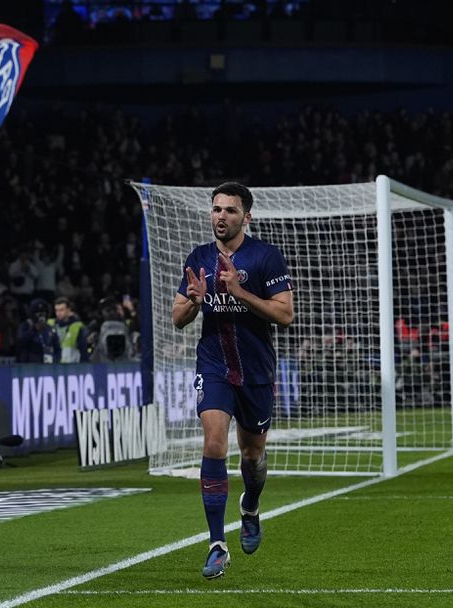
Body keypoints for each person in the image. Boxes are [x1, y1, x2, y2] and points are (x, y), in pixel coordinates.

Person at [172, 182, 294, 579]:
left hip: (256, 372)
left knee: (252, 457)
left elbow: (285, 314)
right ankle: (216, 545)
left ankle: (251, 507)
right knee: (213, 443)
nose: (221, 216)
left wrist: (240, 292)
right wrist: (194, 301)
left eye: (230, 210)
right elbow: (177, 319)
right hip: (214, 367)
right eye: (216, 209)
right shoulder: (199, 258)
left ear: (246, 216)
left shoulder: (265, 257)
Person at [15, 298, 60, 363]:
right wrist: (34, 330)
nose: (41, 316)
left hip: (48, 364)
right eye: (38, 313)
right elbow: (20, 342)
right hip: (30, 365)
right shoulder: (26, 326)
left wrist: (56, 360)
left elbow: (57, 349)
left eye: (43, 313)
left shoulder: (50, 328)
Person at [48, 297, 88, 363]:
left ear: (68, 310)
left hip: (71, 366)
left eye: (61, 310)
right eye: (57, 310)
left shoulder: (76, 327)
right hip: (53, 366)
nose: (58, 313)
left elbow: (83, 350)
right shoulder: (50, 324)